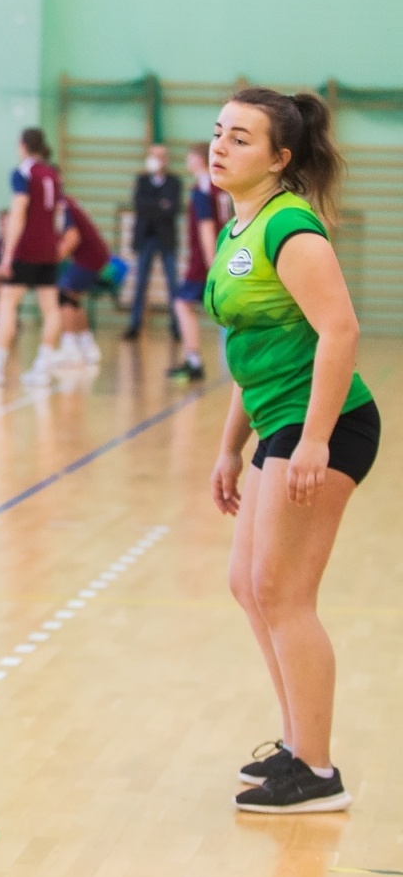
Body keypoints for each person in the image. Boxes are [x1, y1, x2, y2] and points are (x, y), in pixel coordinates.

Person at [206, 88, 380, 814]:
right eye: (218, 132)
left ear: (280, 158)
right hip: (280, 419)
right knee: (248, 583)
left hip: (328, 423)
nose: (220, 145)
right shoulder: (237, 228)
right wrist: (228, 447)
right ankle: (295, 744)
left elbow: (338, 333)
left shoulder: (291, 228)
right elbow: (259, 353)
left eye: (241, 138)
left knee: (284, 591)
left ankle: (318, 770)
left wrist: (313, 439)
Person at [0, 128, 65, 386]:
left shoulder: (23, 173)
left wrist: (8, 255)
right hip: (49, 250)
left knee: (7, 302)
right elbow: (60, 216)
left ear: (23, 146)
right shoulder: (52, 174)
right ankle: (43, 367)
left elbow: (18, 213)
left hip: (27, 249)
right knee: (51, 308)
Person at [172, 142, 232, 381]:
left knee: (182, 303)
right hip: (226, 252)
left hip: (206, 261)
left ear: (198, 160)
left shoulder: (202, 188)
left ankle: (193, 360)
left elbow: (207, 228)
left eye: (190, 157)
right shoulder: (222, 187)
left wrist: (212, 264)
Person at [124, 143, 182, 341]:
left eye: (161, 156)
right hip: (146, 238)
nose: (157, 159)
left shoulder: (174, 182)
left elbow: (173, 208)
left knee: (173, 284)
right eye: (153, 155)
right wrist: (160, 205)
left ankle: (176, 326)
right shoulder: (142, 180)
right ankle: (134, 326)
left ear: (166, 159)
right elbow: (139, 204)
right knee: (140, 283)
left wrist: (155, 207)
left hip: (166, 239)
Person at [53, 195, 111, 366]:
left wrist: (51, 260)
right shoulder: (67, 202)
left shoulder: (61, 205)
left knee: (64, 295)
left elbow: (72, 239)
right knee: (73, 297)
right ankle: (88, 347)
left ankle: (70, 348)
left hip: (90, 257)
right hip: (95, 255)